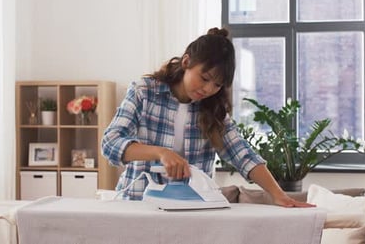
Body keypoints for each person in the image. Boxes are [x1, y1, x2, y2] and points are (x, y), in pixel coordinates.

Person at [101, 27, 313, 208]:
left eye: (217, 85)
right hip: (138, 206)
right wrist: (160, 153)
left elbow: (242, 154)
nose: (208, 89)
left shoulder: (214, 111)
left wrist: (279, 196)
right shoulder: (144, 93)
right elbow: (110, 143)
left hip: (191, 212)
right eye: (204, 78)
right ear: (186, 62)